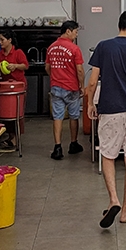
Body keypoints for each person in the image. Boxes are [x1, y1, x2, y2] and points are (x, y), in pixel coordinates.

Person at [86, 10, 126, 228]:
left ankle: (113, 199)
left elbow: (93, 81)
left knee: (108, 156)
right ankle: (125, 211)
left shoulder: (103, 46)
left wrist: (90, 104)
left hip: (110, 111)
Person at [46, 20, 84, 160]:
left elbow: (47, 67)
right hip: (71, 87)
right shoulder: (74, 49)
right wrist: (81, 85)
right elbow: (79, 70)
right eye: (75, 31)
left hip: (56, 87)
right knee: (74, 116)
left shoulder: (51, 47)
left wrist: (55, 78)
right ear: (68, 31)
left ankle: (57, 147)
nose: (76, 34)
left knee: (58, 117)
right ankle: (73, 144)